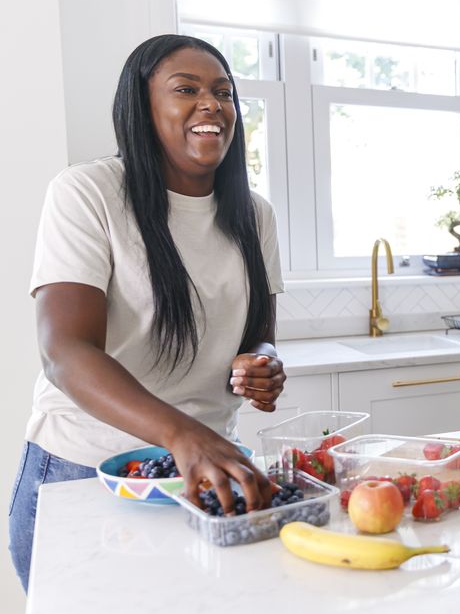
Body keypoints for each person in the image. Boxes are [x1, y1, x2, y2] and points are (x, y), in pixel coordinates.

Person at [8, 35, 285, 589]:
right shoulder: (87, 193)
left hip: (204, 474)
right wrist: (183, 435)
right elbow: (65, 351)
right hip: (86, 470)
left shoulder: (254, 215)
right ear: (142, 106)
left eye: (224, 93)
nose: (212, 105)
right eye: (187, 90)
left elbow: (259, 335)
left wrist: (262, 363)